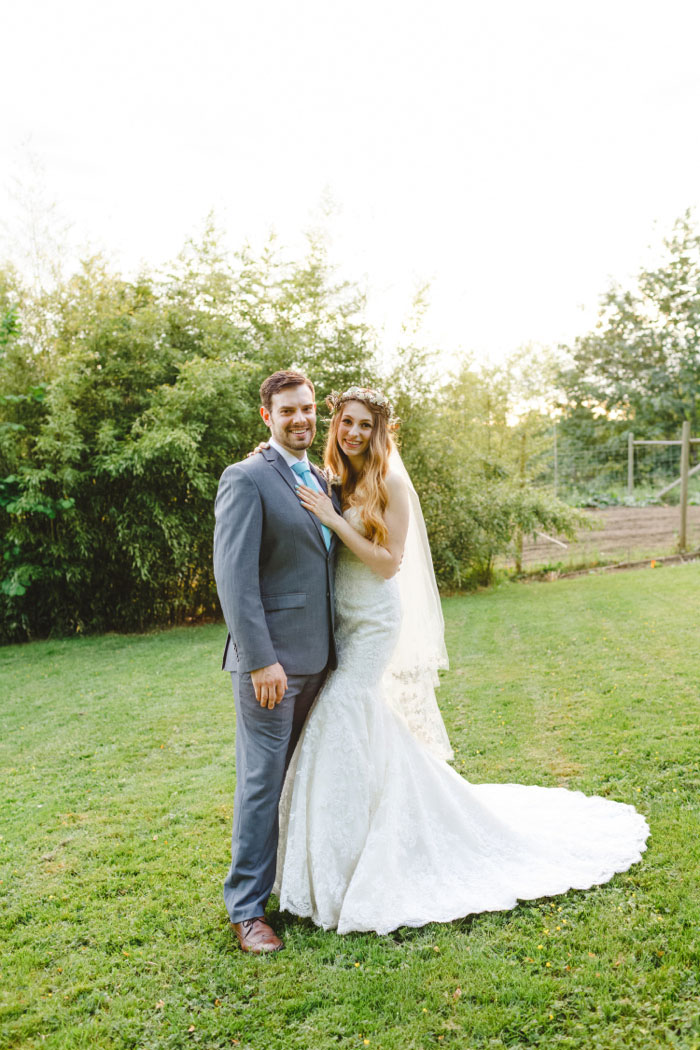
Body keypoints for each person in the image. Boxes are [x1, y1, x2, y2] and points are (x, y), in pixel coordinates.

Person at [272, 385, 650, 935]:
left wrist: (334, 521)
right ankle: (357, 832)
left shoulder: (392, 484)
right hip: (341, 616)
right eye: (345, 423)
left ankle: (360, 847)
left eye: (364, 426)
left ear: (381, 433)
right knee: (361, 719)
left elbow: (386, 563)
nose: (352, 433)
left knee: (342, 707)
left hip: (374, 618)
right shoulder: (340, 478)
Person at [213, 369, 340, 953]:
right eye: (288, 411)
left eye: (308, 409)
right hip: (272, 669)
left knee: (306, 778)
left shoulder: (320, 477)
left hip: (323, 661)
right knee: (262, 784)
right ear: (267, 416)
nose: (301, 420)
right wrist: (261, 659)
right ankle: (246, 910)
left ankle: (298, 881)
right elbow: (234, 579)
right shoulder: (245, 478)